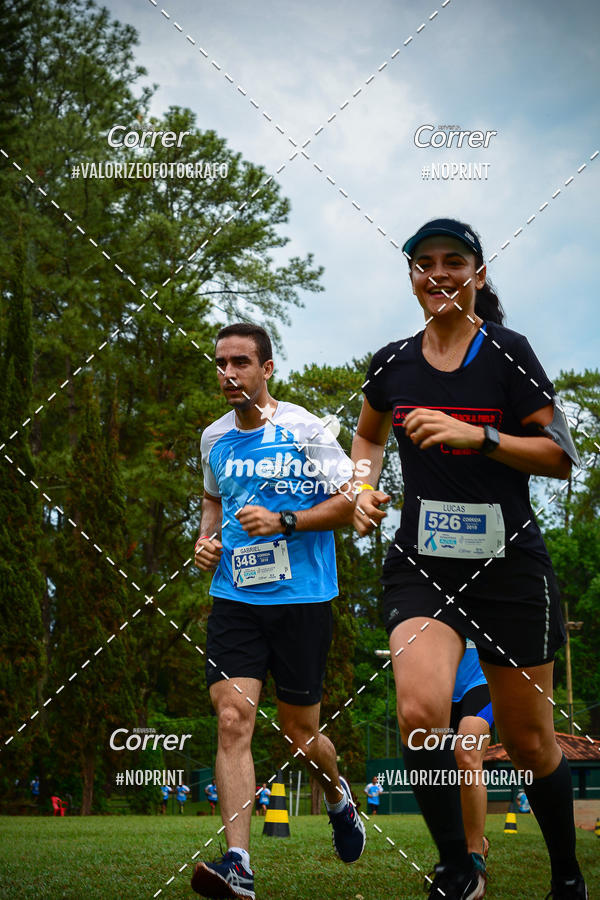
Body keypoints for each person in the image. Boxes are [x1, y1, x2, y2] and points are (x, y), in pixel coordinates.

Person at [351, 218, 587, 899]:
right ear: (413, 279)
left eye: (454, 261)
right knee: (422, 715)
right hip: (423, 564)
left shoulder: (510, 353)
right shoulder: (392, 362)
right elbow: (368, 435)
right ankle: (459, 867)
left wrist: (476, 436)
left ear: (479, 275)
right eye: (424, 263)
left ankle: (566, 875)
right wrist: (362, 488)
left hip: (508, 568)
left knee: (530, 739)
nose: (439, 273)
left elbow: (561, 457)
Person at [191, 323, 366, 899]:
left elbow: (352, 500)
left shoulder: (305, 430)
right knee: (232, 719)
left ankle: (339, 799)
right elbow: (214, 498)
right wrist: (205, 541)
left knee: (299, 735)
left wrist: (287, 521)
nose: (229, 373)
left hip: (303, 602)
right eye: (221, 363)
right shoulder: (213, 438)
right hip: (236, 597)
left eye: (241, 362)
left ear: (268, 369)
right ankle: (238, 862)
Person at [451, 639, 493, 888]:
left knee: (466, 755)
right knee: (441, 773)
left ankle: (474, 858)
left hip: (483, 677)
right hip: (436, 679)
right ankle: (469, 844)